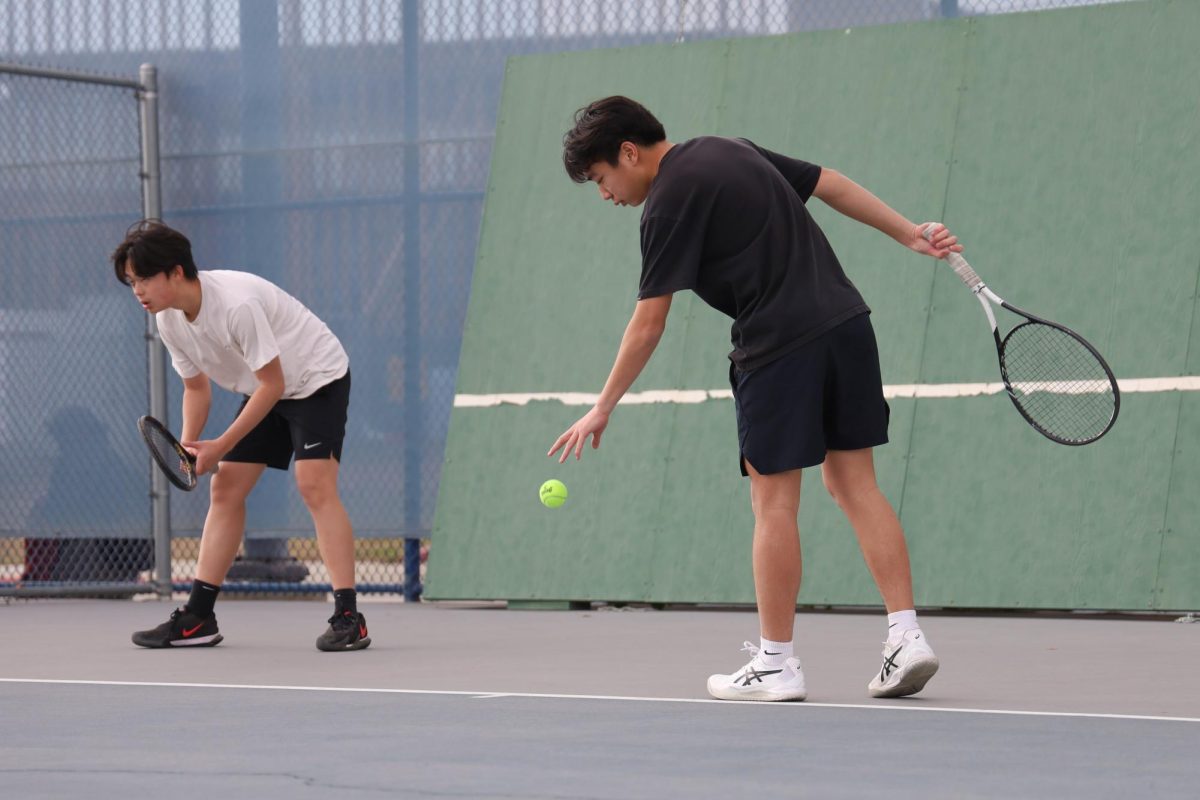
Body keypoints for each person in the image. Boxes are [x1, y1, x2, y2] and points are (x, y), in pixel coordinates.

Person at [549, 96, 962, 701]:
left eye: (602, 178)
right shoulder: (730, 148)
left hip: (777, 346)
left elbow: (649, 322)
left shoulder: (664, 206)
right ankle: (906, 636)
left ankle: (776, 663)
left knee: (773, 503)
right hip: (847, 323)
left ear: (629, 153)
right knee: (855, 484)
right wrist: (909, 233)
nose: (605, 194)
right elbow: (829, 183)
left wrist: (603, 404)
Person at [113, 220, 370, 652]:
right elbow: (197, 388)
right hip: (263, 385)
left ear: (175, 272)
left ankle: (349, 617)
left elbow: (274, 384)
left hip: (314, 376)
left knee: (314, 485)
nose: (137, 290)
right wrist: (189, 446)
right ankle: (198, 616)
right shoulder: (168, 320)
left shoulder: (235, 305)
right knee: (226, 486)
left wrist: (221, 445)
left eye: (142, 279)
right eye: (131, 282)